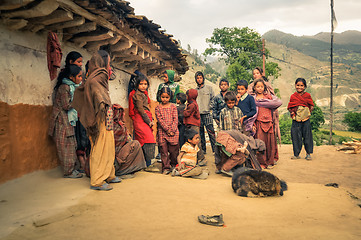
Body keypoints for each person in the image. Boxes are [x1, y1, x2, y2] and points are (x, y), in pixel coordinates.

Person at [73, 50, 121, 191]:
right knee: (99, 149)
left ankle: (109, 174)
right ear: (101, 63)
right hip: (98, 119)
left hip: (106, 118)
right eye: (108, 63)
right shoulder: (94, 80)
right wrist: (102, 106)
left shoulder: (101, 78)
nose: (109, 66)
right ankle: (97, 181)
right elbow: (98, 99)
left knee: (109, 148)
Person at [48, 64, 83, 179]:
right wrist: (79, 99)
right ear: (71, 77)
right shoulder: (65, 88)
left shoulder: (72, 86)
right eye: (79, 76)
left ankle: (72, 169)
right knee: (65, 146)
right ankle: (68, 171)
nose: (81, 78)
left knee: (71, 144)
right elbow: (66, 105)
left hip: (68, 119)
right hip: (62, 120)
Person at [128, 72, 157, 169]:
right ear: (137, 84)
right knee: (145, 140)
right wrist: (147, 120)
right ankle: (144, 163)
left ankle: (146, 163)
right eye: (141, 84)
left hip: (145, 118)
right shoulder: (135, 95)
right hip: (140, 118)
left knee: (147, 140)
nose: (144, 86)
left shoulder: (144, 94)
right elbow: (138, 109)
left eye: (145, 84)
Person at [252, 79, 282, 169]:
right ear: (254, 88)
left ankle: (270, 162)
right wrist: (253, 124)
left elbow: (277, 103)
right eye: (258, 87)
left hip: (269, 123)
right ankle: (261, 163)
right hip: (259, 123)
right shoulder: (253, 99)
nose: (260, 88)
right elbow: (252, 113)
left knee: (270, 143)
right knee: (260, 143)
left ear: (264, 87)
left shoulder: (269, 98)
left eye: (261, 86)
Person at [112, 104, 146, 177]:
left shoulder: (105, 126)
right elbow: (129, 141)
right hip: (116, 160)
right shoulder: (121, 127)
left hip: (109, 159)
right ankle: (123, 171)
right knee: (135, 144)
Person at [287, 78, 314, 160]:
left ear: (305, 86)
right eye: (298, 85)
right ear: (295, 86)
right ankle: (296, 154)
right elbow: (289, 107)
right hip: (296, 120)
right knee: (295, 137)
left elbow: (311, 105)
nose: (299, 87)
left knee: (307, 136)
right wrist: (294, 112)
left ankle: (308, 153)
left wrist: (306, 113)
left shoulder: (307, 96)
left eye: (302, 85)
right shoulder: (293, 96)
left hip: (306, 120)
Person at [155, 87, 179, 174]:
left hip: (174, 131)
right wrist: (167, 130)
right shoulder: (158, 108)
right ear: (160, 96)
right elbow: (160, 120)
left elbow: (175, 119)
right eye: (163, 97)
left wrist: (172, 129)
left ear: (170, 97)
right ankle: (166, 167)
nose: (164, 99)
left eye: (167, 97)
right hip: (162, 132)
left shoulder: (173, 107)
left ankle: (174, 165)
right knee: (163, 151)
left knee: (174, 151)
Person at [195, 71, 216, 154]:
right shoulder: (195, 90)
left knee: (211, 132)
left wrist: (210, 107)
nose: (199, 80)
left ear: (203, 78)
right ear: (196, 80)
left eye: (200, 78)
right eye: (197, 78)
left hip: (207, 113)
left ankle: (215, 150)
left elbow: (213, 99)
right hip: (198, 115)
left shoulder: (209, 88)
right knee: (201, 133)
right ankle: (203, 150)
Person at [183, 89, 205, 165]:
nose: (186, 97)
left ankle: (201, 158)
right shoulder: (192, 103)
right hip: (192, 125)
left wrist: (183, 110)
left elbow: (186, 114)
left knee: (195, 142)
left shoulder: (192, 105)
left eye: (187, 95)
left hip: (193, 125)